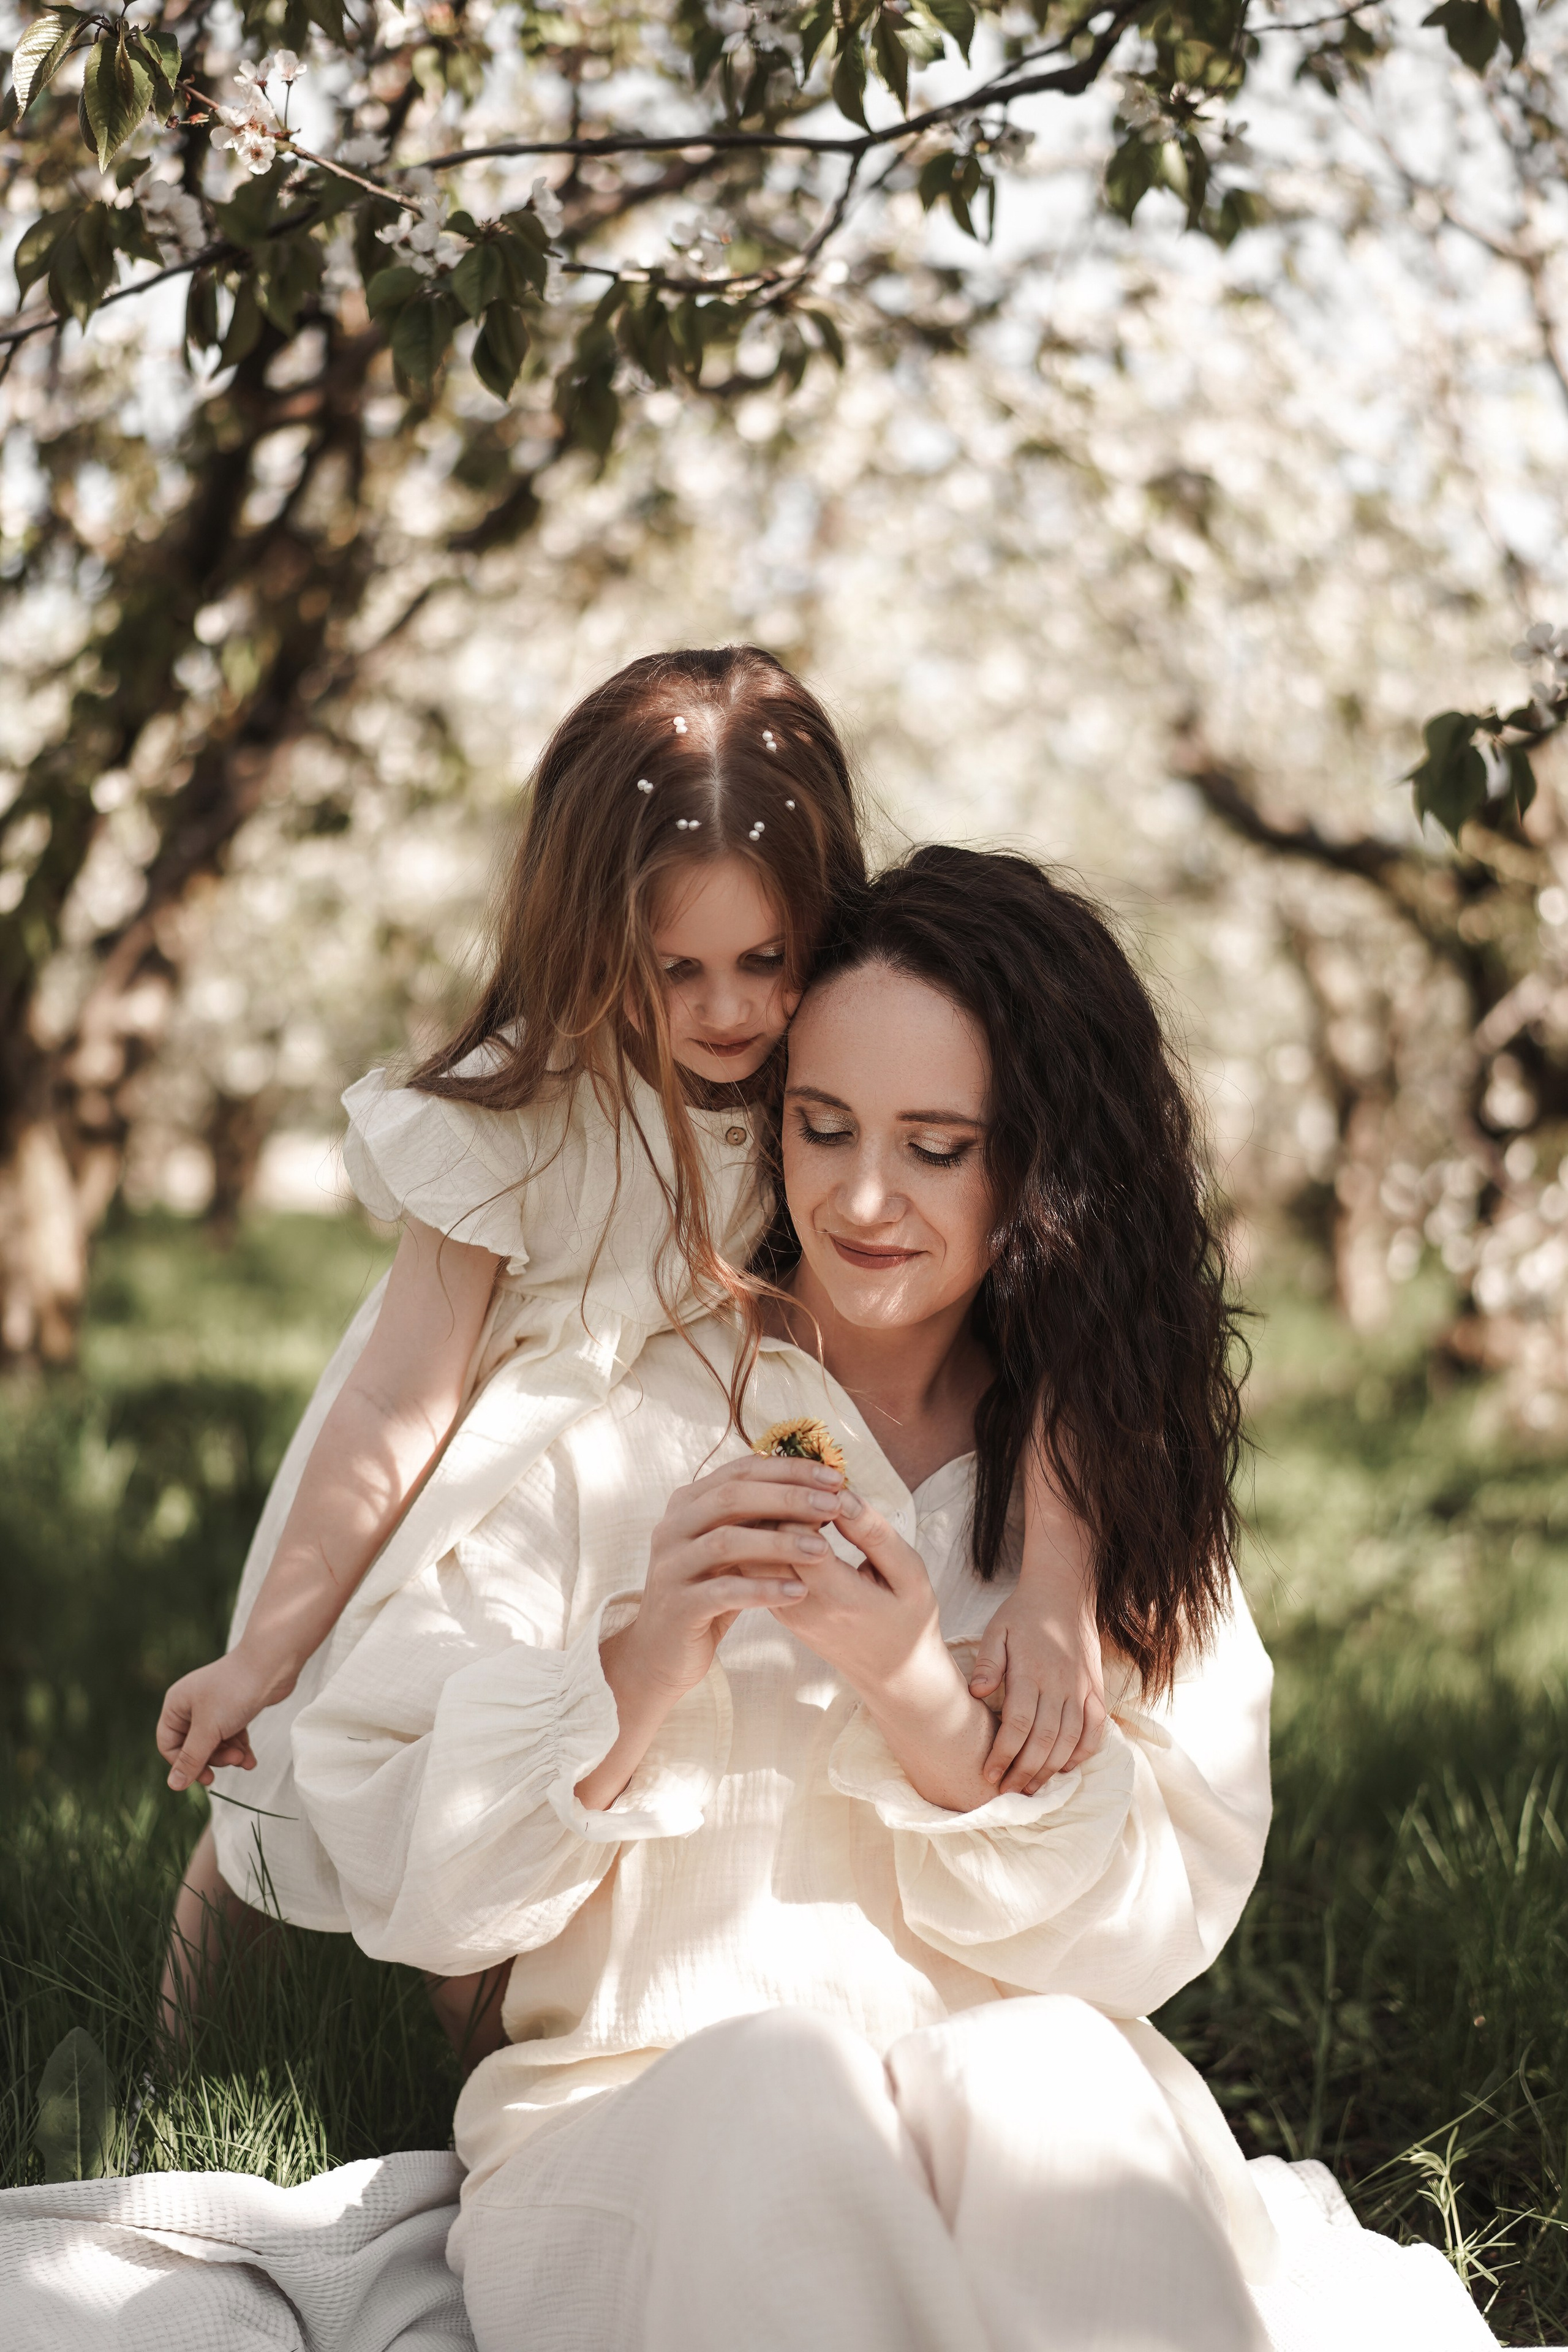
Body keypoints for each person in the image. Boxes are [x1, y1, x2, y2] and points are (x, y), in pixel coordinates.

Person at [288, 847, 1491, 2350]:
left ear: (1043, 1172)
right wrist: (638, 1660)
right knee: (778, 2084)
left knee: (1057, 2072)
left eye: (937, 1148)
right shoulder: (611, 1404)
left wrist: (919, 1696)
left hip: (998, 2120)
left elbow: (1145, 1934)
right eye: (822, 1125)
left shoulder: (1100, 1485)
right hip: (640, 2116)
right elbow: (410, 1870)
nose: (862, 1198)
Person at [154, 655, 1106, 2045]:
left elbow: (1062, 1324)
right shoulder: (525, 1115)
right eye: (678, 972)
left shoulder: (832, 1080)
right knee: (300, 1765)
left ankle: (512, 2036)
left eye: (765, 961)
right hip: (492, 1480)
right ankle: (188, 2049)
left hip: (695, 1439)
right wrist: (264, 1652)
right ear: (594, 940)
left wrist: (1058, 1589)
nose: (728, 1012)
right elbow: (397, 1394)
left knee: (612, 1769)